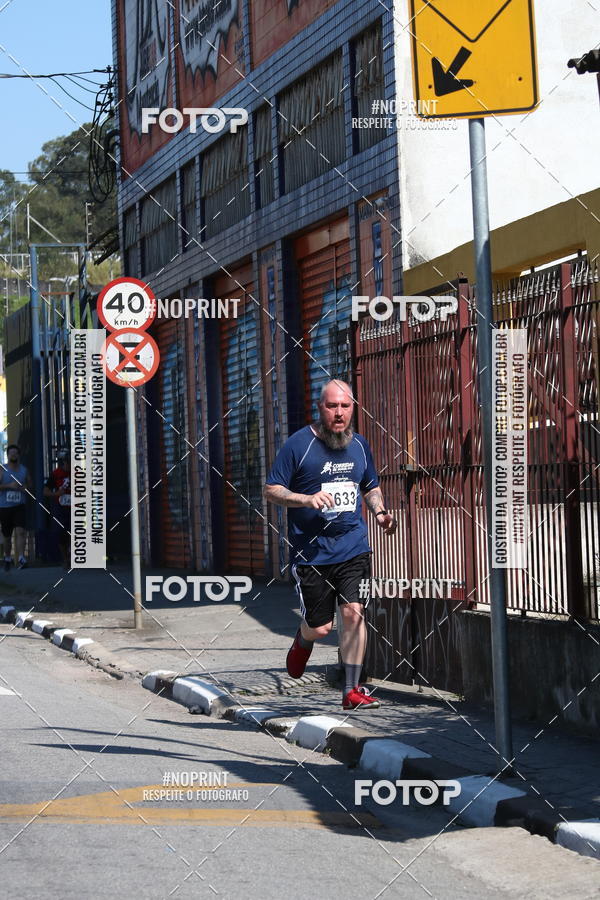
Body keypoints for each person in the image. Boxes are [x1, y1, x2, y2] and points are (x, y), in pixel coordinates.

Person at [264, 379, 396, 710]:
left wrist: (379, 512)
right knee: (322, 627)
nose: (339, 413)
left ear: (353, 408)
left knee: (354, 613)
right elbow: (271, 489)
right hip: (312, 553)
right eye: (332, 406)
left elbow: (370, 485)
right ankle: (303, 638)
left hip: (353, 546)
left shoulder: (360, 445)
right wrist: (305, 499)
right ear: (321, 408)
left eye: (345, 406)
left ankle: (352, 691)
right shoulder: (299, 445)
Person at [0, 444, 31, 571]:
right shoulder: (2, 470)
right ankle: (8, 558)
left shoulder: (24, 470)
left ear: (19, 455)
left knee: (21, 532)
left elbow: (30, 484)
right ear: (7, 455)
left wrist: (25, 487)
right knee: (7, 537)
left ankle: (21, 558)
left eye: (15, 453)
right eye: (11, 453)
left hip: (19, 505)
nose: (13, 455)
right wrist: (9, 486)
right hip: (5, 507)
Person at [44, 451, 71, 569]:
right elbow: (45, 491)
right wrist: (57, 493)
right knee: (60, 532)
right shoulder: (55, 474)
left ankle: (72, 557)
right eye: (67, 462)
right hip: (60, 507)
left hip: (76, 507)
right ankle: (65, 558)